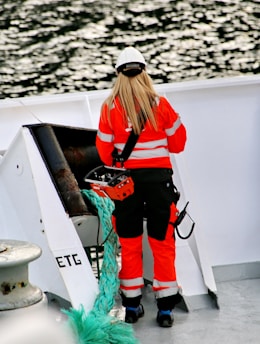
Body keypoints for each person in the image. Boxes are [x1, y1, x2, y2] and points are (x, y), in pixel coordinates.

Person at [95, 46, 187, 328]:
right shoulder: (161, 105)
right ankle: (166, 310)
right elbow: (179, 144)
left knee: (130, 243)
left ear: (118, 75)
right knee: (162, 244)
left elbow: (103, 152)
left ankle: (132, 306)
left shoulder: (110, 107)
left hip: (127, 186)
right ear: (144, 72)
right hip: (159, 183)